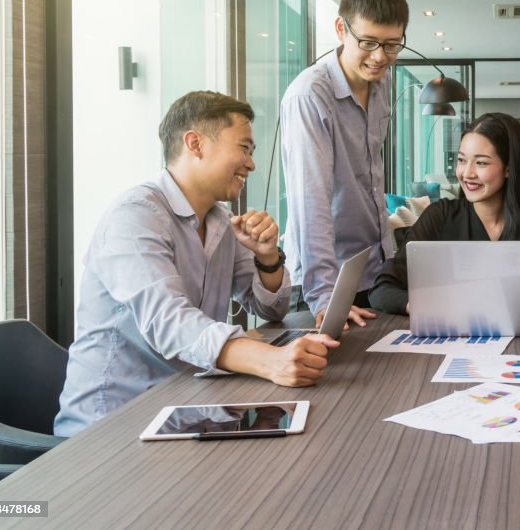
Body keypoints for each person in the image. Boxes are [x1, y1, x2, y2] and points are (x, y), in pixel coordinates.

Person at [55, 92, 337, 437]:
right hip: (111, 426)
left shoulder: (220, 220)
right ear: (195, 143)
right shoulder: (135, 216)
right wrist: (268, 361)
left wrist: (267, 258)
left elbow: (272, 308)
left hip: (189, 403)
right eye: (244, 148)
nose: (251, 164)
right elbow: (170, 323)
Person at [281, 0, 410, 329]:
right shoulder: (309, 96)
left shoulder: (382, 83)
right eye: (367, 42)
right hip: (324, 285)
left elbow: (371, 178)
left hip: (371, 270)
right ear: (341, 28)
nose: (380, 57)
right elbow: (311, 202)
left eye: (392, 45)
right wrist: (325, 297)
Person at [369, 113, 520, 314]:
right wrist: (428, 307)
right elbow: (382, 289)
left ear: (509, 168)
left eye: (481, 163)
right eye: (462, 160)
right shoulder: (440, 216)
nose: (467, 173)